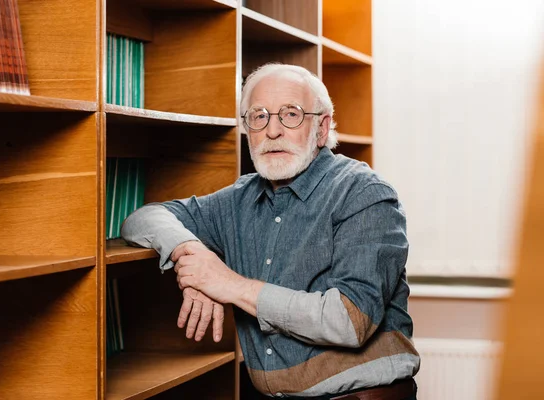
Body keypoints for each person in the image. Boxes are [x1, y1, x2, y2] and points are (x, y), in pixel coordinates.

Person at [121, 63, 420, 399]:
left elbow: (349, 321)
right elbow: (142, 218)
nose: (272, 131)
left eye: (291, 114)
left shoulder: (364, 192)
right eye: (259, 116)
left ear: (321, 128)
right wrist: (191, 253)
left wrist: (227, 284)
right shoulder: (238, 199)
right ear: (247, 128)